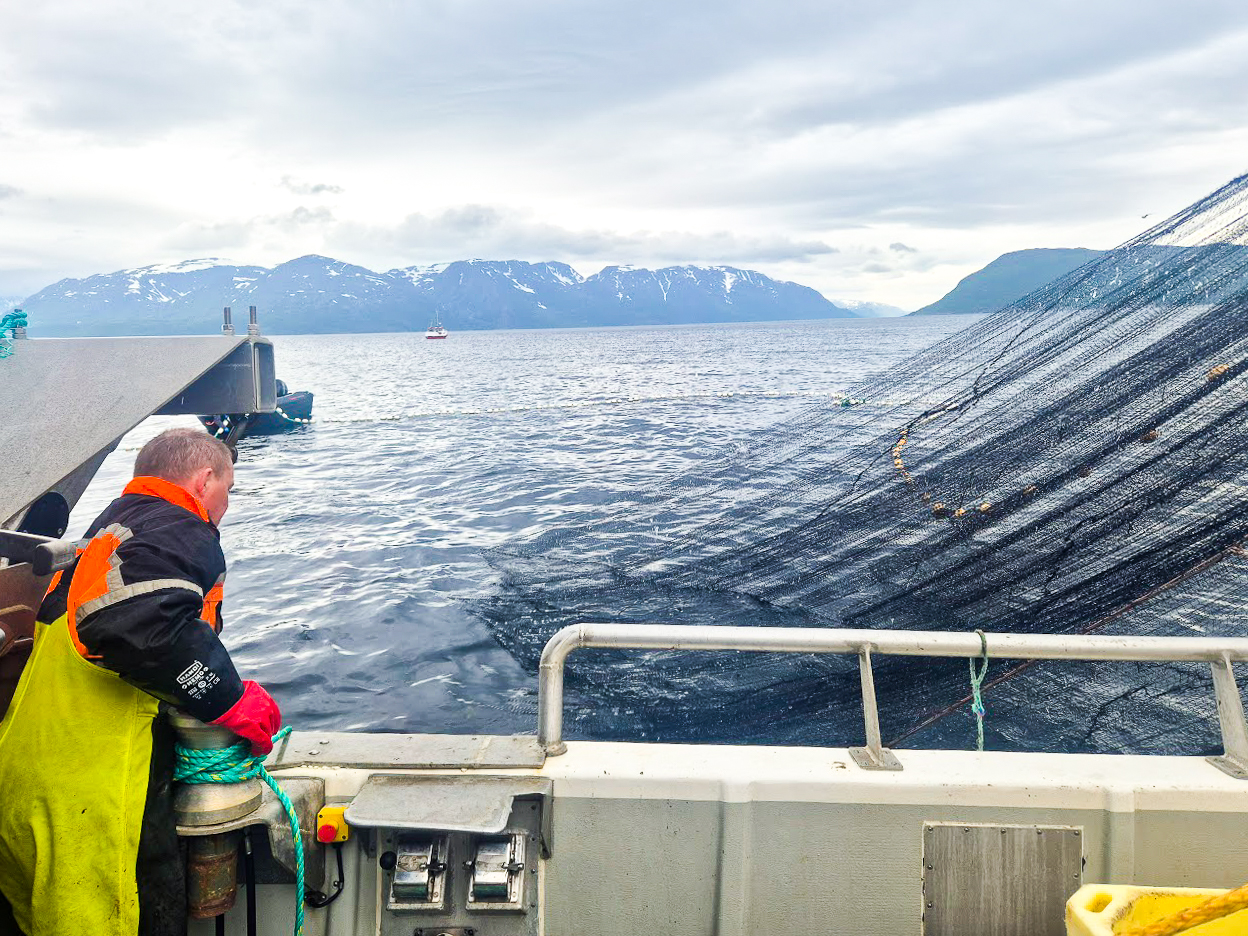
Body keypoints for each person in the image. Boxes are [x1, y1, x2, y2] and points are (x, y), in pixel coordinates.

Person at [0, 427, 282, 936]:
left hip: (31, 770)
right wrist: (229, 700)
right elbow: (137, 624)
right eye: (228, 489)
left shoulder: (113, 527)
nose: (226, 504)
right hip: (97, 789)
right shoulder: (177, 525)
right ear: (204, 481)